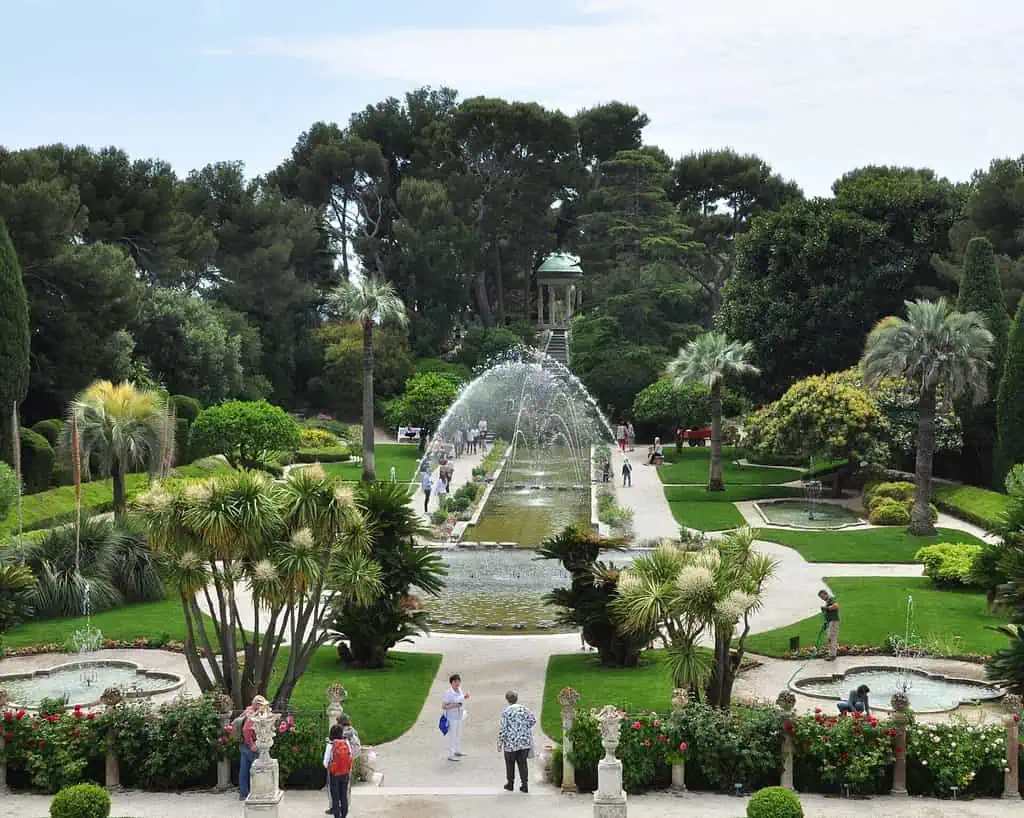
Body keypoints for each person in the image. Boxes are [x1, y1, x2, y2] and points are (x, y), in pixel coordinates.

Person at [497, 690, 537, 793]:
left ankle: (510, 783)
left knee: (510, 764)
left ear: (507, 700)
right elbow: (533, 720)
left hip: (511, 743)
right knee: (523, 763)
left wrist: (500, 743)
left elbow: (503, 729)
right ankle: (525, 784)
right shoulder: (524, 709)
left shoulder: (506, 712)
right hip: (524, 741)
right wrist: (525, 728)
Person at [324, 715, 362, 814]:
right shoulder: (353, 732)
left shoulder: (339, 733)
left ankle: (334, 808)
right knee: (345, 790)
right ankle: (345, 808)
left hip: (334, 768)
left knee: (334, 791)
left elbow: (326, 761)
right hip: (346, 766)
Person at [236, 695, 268, 801]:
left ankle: (244, 794)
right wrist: (251, 745)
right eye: (263, 705)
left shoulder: (248, 710)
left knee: (244, 769)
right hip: (249, 745)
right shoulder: (253, 715)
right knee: (256, 768)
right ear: (258, 706)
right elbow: (246, 729)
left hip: (243, 744)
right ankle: (256, 792)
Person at [322, 723, 353, 818]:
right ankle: (344, 815)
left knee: (335, 797)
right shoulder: (346, 742)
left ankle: (337, 815)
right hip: (345, 773)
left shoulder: (330, 745)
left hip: (334, 774)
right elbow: (350, 756)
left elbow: (325, 762)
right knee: (344, 795)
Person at [442, 673, 470, 761]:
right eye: (456, 682)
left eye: (459, 682)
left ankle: (457, 751)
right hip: (452, 717)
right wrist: (454, 705)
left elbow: (460, 700)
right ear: (452, 682)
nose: (458, 684)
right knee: (452, 735)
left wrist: (464, 698)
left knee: (458, 734)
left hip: (459, 716)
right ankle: (451, 754)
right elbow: (444, 706)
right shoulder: (448, 693)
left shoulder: (459, 690)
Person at [818, 589, 840, 660]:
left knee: (831, 638)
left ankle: (832, 655)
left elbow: (836, 606)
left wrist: (826, 608)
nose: (822, 598)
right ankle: (831, 654)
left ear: (825, 594)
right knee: (830, 638)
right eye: (821, 598)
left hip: (833, 622)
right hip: (830, 622)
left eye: (822, 597)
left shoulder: (831, 599)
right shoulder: (828, 601)